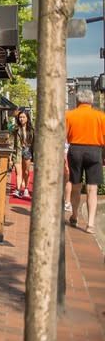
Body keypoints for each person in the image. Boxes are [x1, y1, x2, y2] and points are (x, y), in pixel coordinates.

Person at [65, 89, 105, 233]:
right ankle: (91, 224)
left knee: (76, 185)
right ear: (91, 101)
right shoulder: (100, 116)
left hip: (76, 149)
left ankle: (75, 215)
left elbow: (66, 135)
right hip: (94, 150)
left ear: (77, 101)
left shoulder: (70, 115)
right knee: (92, 188)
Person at [9, 110, 34, 199]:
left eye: (23, 117)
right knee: (18, 172)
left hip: (27, 151)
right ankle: (18, 190)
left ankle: (26, 188)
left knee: (26, 172)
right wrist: (10, 157)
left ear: (27, 118)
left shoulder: (31, 130)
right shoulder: (15, 129)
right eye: (20, 117)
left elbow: (34, 142)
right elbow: (11, 143)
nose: (21, 119)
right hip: (17, 152)